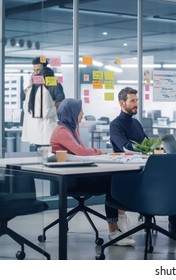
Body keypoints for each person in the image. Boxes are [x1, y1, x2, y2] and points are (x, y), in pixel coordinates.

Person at [109, 87, 176, 234]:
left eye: (137, 100)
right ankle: (175, 218)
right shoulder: (116, 125)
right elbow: (127, 147)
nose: (136, 103)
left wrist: (159, 147)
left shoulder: (135, 123)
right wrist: (148, 147)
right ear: (122, 103)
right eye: (132, 101)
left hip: (148, 166)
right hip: (133, 171)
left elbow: (147, 143)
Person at [49, 98, 135, 246]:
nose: (82, 113)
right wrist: (100, 152)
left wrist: (97, 153)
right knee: (112, 181)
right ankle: (115, 231)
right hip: (69, 180)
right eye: (80, 110)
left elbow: (81, 153)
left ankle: (119, 223)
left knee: (115, 178)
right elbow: (81, 152)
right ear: (71, 112)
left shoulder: (72, 128)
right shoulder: (62, 130)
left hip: (78, 173)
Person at [21, 66, 59, 148]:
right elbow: (45, 113)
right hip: (45, 134)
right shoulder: (44, 92)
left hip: (35, 134)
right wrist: (56, 107)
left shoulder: (31, 90)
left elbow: (28, 110)